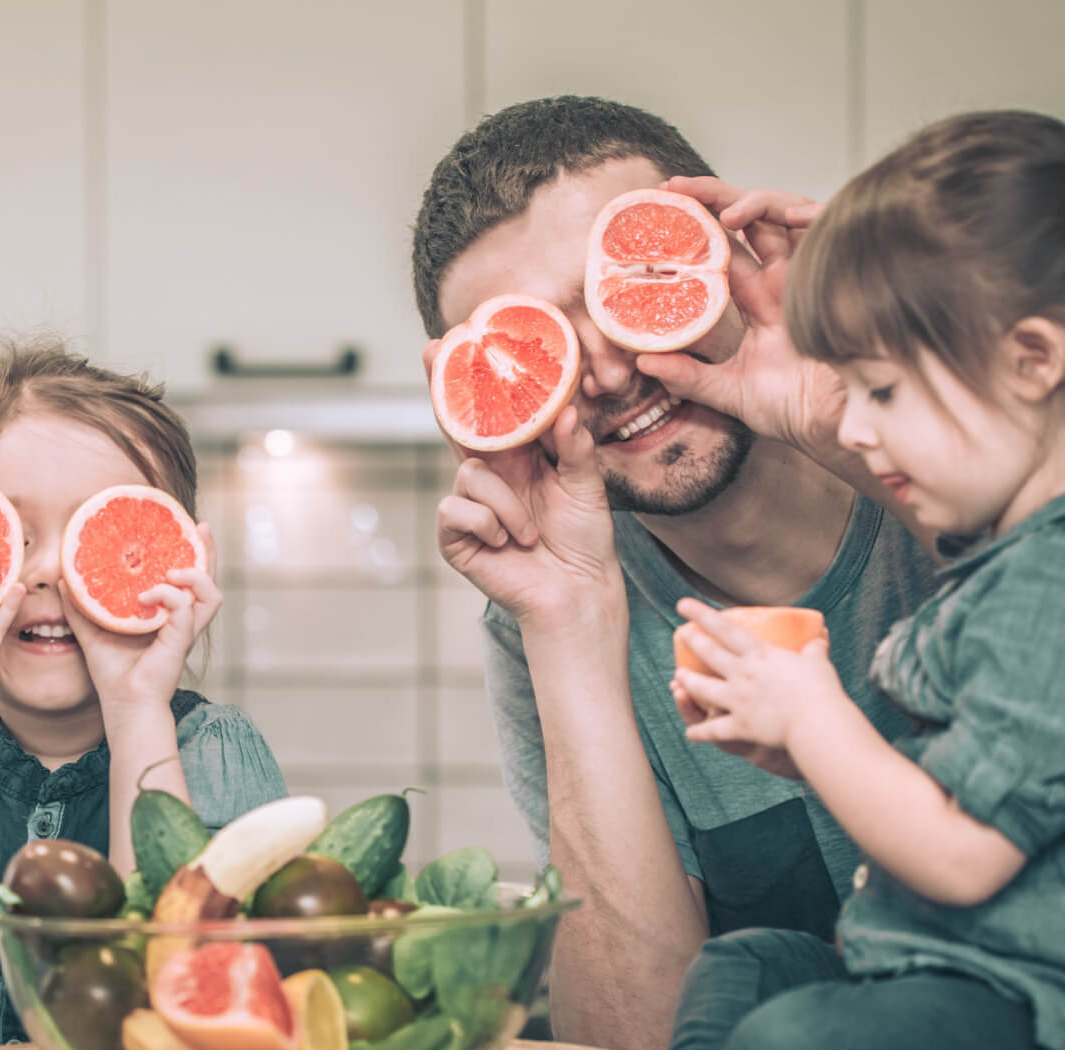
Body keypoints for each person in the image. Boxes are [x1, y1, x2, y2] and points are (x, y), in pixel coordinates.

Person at [411, 95, 938, 1049]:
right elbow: (635, 1034)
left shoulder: (983, 489)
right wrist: (570, 624)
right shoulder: (548, 616)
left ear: (726, 261)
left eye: (631, 286)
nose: (608, 370)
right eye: (543, 344)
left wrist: (849, 422)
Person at [667, 109, 1065, 1050]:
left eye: (882, 390)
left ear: (1033, 360)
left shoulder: (1047, 585)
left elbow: (964, 859)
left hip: (1012, 993)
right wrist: (803, 747)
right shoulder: (1004, 562)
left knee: (793, 1032)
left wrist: (816, 719)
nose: (851, 430)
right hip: (932, 963)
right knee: (747, 965)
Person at [0, 336, 288, 1049]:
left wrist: (138, 709)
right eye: (10, 534)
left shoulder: (211, 752)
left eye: (94, 537)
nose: (48, 570)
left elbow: (182, 985)